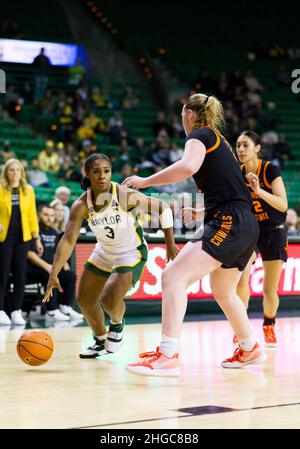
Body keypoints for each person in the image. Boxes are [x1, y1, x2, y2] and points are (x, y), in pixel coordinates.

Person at [122, 93, 264, 377]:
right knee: (224, 292)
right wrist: (203, 213)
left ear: (188, 114)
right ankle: (250, 347)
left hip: (230, 221)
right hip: (244, 223)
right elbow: (228, 186)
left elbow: (188, 167)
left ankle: (167, 355)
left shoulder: (199, 135)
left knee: (172, 276)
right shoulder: (219, 138)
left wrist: (146, 181)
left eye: (181, 116)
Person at [42, 153, 179, 358]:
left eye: (106, 171)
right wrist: (54, 272)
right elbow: (68, 240)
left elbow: (163, 208)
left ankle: (117, 323)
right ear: (87, 174)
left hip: (130, 252)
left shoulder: (123, 195)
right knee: (84, 301)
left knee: (108, 299)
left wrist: (170, 243)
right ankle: (99, 340)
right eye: (96, 172)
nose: (102, 176)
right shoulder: (81, 205)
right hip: (104, 251)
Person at [235, 131, 288, 346]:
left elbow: (283, 205)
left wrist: (259, 191)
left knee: (269, 288)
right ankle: (242, 327)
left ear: (257, 148)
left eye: (245, 145)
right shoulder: (237, 174)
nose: (240, 149)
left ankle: (269, 325)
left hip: (274, 230)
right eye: (238, 145)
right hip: (251, 231)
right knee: (241, 279)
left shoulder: (269, 169)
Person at [0, 158, 42, 325]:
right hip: (4, 238)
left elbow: (32, 215)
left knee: (20, 274)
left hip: (23, 238)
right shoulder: (1, 188)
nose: (15, 173)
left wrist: (37, 239)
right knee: (2, 274)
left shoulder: (28, 190)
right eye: (12, 170)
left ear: (22, 172)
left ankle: (17, 310)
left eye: (18, 170)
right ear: (6, 172)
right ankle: (1, 310)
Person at [26, 205, 81, 321]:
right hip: (33, 269)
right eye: (46, 215)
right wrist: (47, 267)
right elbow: (30, 254)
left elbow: (58, 252)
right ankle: (51, 311)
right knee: (49, 275)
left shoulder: (54, 232)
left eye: (51, 215)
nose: (49, 218)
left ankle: (65, 306)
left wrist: (63, 262)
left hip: (50, 268)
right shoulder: (34, 231)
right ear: (38, 215)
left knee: (70, 275)